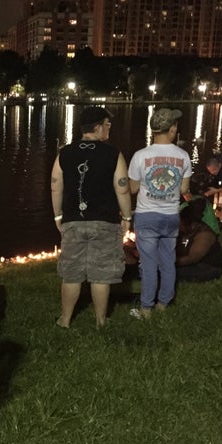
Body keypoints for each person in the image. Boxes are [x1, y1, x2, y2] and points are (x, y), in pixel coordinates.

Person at [50, 106, 133, 328]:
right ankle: (100, 320)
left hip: (73, 221)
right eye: (107, 125)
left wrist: (58, 216)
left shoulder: (64, 154)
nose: (109, 130)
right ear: (97, 127)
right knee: (101, 274)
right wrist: (127, 217)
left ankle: (65, 320)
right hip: (105, 221)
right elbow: (122, 189)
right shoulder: (113, 154)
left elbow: (55, 188)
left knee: (72, 273)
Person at [128, 108, 191, 319]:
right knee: (167, 261)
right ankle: (164, 304)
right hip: (171, 216)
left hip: (146, 216)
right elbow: (183, 190)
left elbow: (134, 189)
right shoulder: (183, 156)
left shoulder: (140, 156)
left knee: (148, 264)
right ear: (172, 129)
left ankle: (146, 309)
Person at [176, 198, 222, 282]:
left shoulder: (204, 235)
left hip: (205, 267)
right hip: (187, 263)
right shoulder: (183, 230)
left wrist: (167, 263)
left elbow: (192, 258)